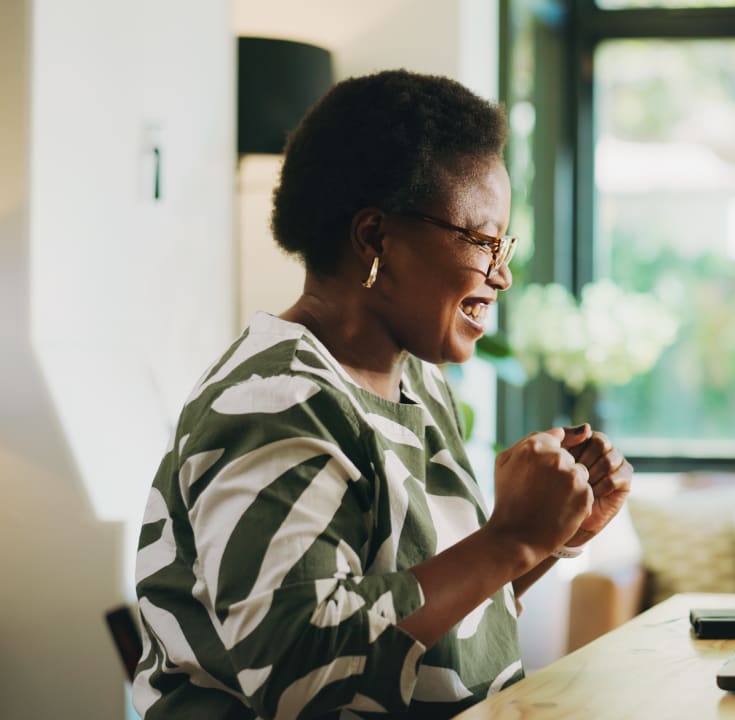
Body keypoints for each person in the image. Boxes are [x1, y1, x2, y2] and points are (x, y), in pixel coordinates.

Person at [132, 70, 632, 719]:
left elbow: (425, 625)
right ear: (375, 238)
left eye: (503, 244)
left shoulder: (416, 381)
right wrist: (506, 539)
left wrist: (549, 537)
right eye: (482, 241)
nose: (502, 275)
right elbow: (295, 674)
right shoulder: (276, 400)